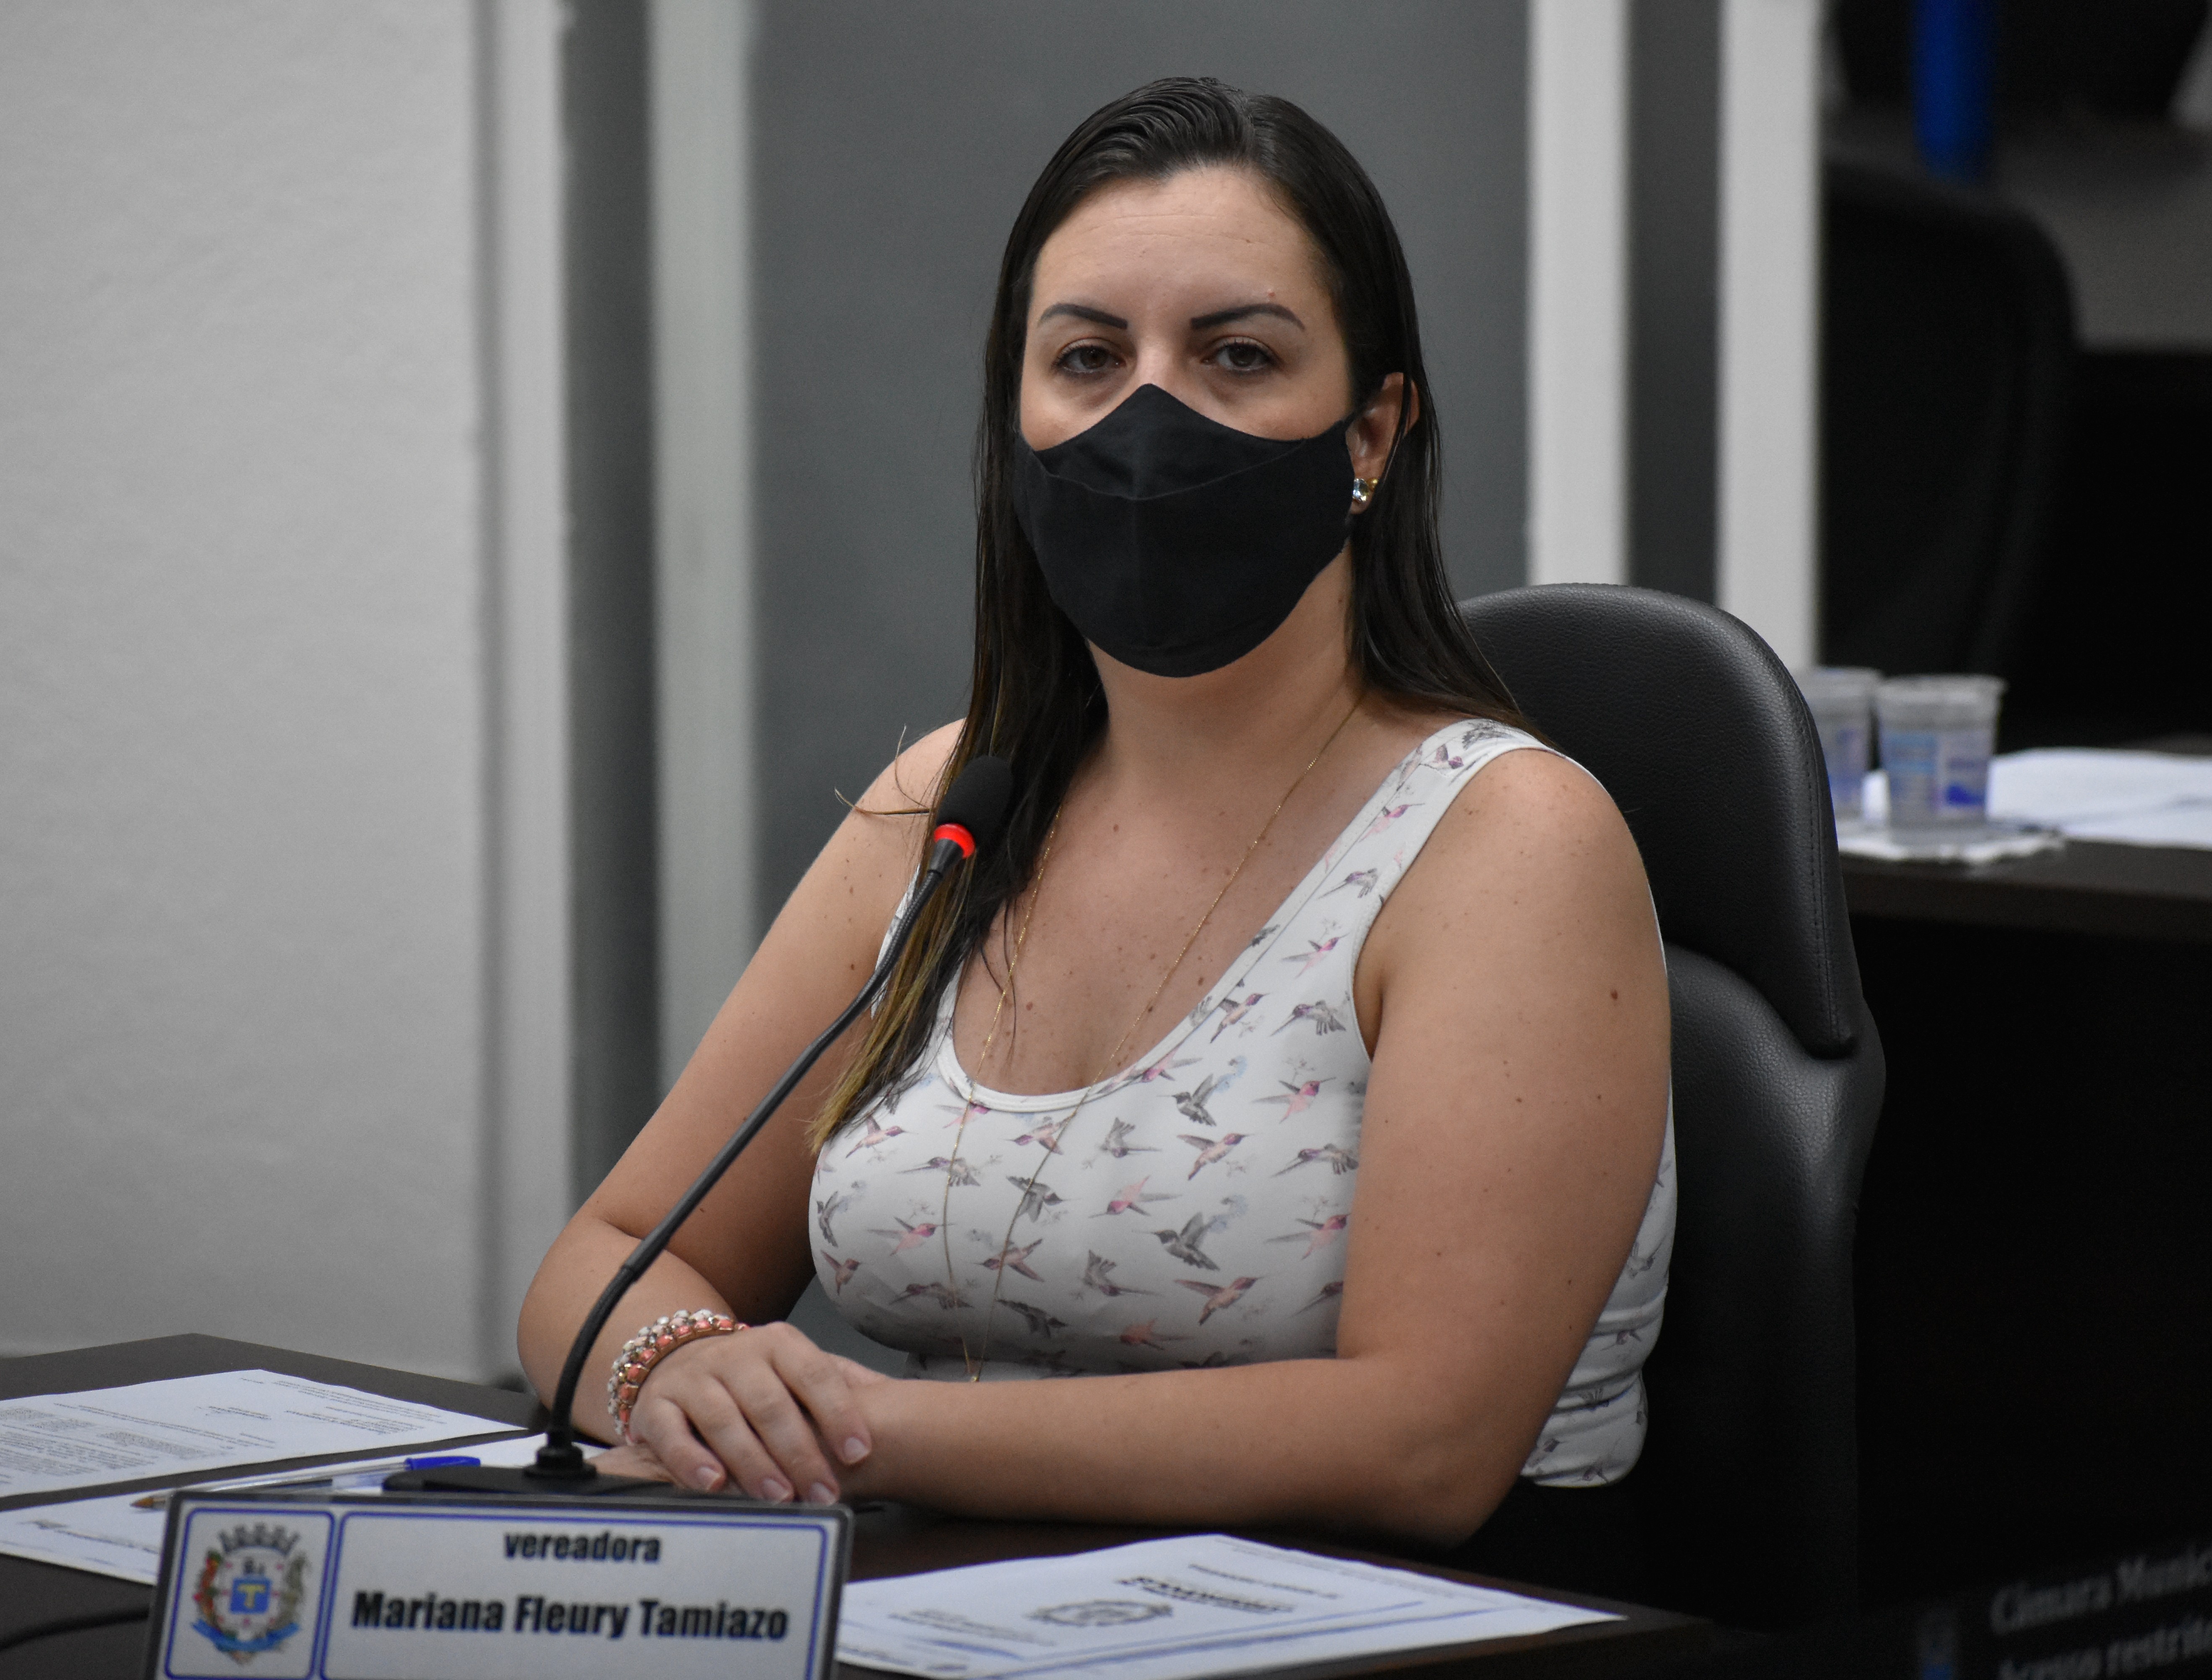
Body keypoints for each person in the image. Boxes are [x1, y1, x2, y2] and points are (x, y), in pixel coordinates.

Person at [520, 76, 1673, 1569]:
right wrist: (674, 1370)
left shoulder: (1510, 844)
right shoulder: (952, 806)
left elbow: (1425, 1442)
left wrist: (847, 1432)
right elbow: (607, 1261)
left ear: (1372, 431)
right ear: (1017, 419)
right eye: (1087, 358)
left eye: (1237, 355)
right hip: (957, 1614)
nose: (1147, 418)